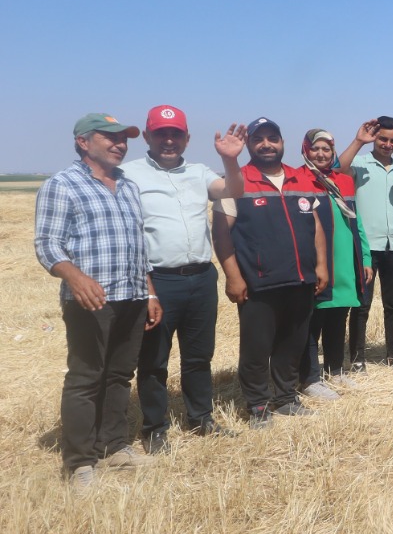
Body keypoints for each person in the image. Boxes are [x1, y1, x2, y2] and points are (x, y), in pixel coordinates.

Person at [36, 114, 164, 490]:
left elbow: (138, 247)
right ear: (83, 142)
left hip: (132, 295)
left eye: (123, 139)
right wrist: (75, 277)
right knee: (85, 378)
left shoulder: (128, 186)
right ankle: (79, 462)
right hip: (91, 299)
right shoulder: (62, 184)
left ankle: (113, 445)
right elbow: (47, 243)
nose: (120, 144)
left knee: (120, 375)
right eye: (110, 138)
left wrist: (150, 291)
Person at [120, 106, 245, 451]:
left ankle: (201, 418)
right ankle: (155, 428)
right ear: (148, 137)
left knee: (199, 356)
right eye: (161, 133)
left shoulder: (199, 172)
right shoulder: (128, 175)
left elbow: (233, 190)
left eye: (175, 134)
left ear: (187, 138)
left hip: (201, 278)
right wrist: (147, 290)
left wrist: (231, 159)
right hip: (158, 280)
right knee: (153, 360)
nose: (169, 140)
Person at [214, 117, 329, 427]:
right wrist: (233, 276)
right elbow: (221, 234)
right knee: (256, 348)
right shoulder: (237, 181)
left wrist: (321, 265)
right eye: (258, 139)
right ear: (249, 145)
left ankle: (286, 398)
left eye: (272, 138)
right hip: (259, 282)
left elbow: (315, 225)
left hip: (301, 278)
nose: (266, 144)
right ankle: (258, 405)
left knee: (292, 343)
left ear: (282, 142)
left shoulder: (299, 178)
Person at [299, 129, 371, 395]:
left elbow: (356, 222)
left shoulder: (344, 181)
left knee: (338, 318)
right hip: (317, 263)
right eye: (315, 148)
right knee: (312, 322)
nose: (321, 154)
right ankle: (310, 378)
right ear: (305, 150)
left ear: (333, 152)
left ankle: (335, 371)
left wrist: (365, 257)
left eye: (326, 149)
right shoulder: (299, 179)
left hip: (344, 263)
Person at [338, 117, 393, 367]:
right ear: (374, 139)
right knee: (361, 306)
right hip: (365, 247)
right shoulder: (359, 163)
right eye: (383, 139)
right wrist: (359, 141)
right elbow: (338, 170)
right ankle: (358, 358)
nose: (388, 145)